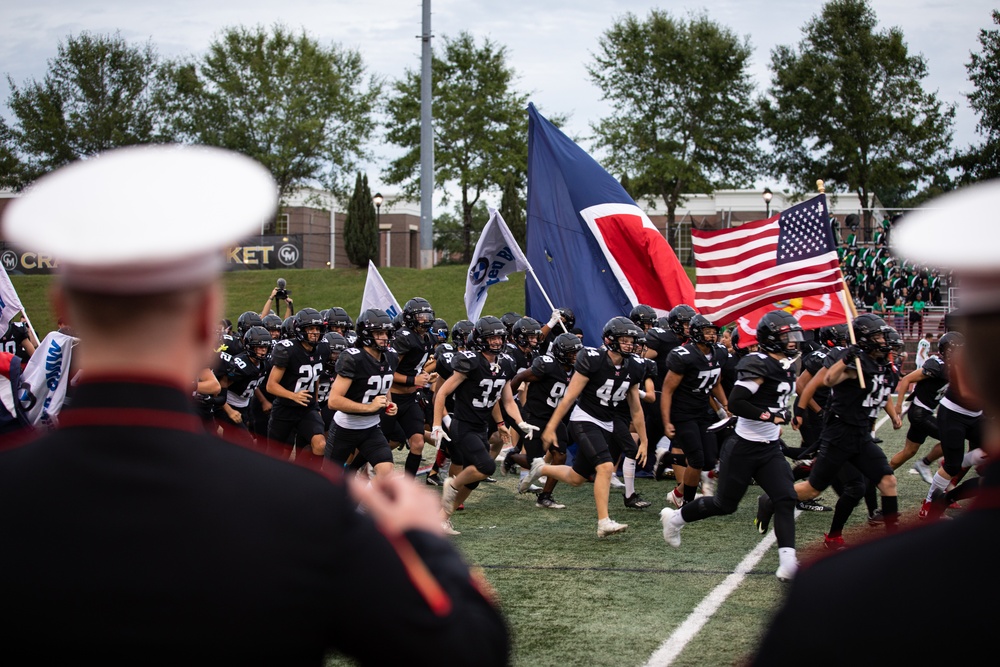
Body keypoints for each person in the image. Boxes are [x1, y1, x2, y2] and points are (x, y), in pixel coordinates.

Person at [0, 145, 508, 665]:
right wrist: (423, 540)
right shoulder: (304, 503)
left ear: (64, 313)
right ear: (205, 322)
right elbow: (468, 650)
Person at [753, 179, 1000, 665]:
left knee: (886, 477)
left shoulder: (841, 592)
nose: (890, 345)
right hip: (842, 431)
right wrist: (819, 404)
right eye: (883, 340)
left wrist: (892, 410)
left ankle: (884, 535)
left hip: (861, 432)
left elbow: (888, 394)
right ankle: (775, 496)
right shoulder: (848, 358)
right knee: (816, 488)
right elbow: (812, 387)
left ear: (966, 377)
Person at [659, 310, 802, 582]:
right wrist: (770, 416)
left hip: (769, 446)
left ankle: (787, 562)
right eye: (787, 337)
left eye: (794, 336)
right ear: (771, 339)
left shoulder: (785, 364)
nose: (793, 341)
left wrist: (781, 416)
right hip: (744, 447)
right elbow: (737, 403)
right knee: (725, 505)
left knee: (786, 498)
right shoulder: (758, 363)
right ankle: (675, 519)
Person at [519, 316, 649, 537]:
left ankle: (540, 468)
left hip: (606, 423)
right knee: (606, 467)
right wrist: (551, 426)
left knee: (576, 478)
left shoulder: (635, 366)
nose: (630, 344)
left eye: (631, 340)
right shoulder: (593, 359)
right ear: (610, 340)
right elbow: (569, 397)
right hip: (585, 419)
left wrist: (644, 440)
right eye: (624, 339)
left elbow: (635, 407)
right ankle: (603, 522)